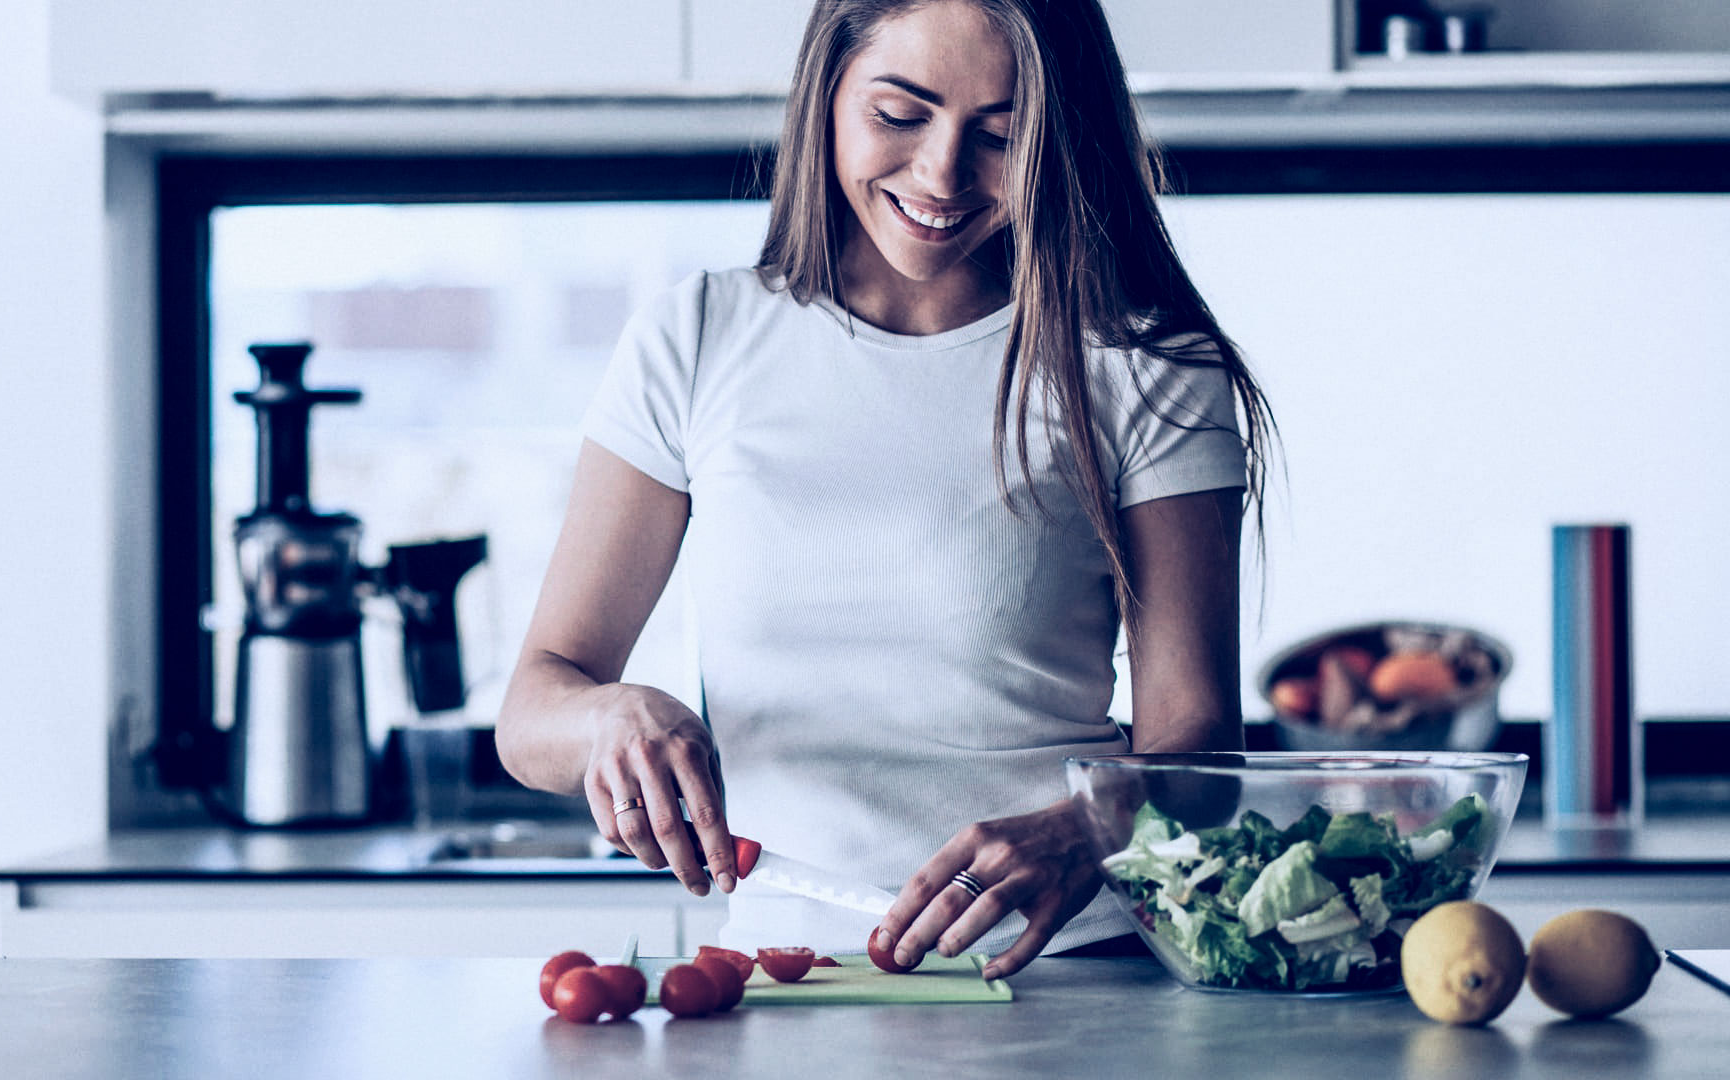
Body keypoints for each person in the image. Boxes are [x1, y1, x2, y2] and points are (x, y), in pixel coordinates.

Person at [496, 0, 1275, 980]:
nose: (943, 173)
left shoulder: (1145, 365)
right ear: (825, 96)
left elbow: (1198, 757)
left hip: (1060, 973)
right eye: (900, 116)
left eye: (1002, 136)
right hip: (779, 981)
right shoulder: (695, 337)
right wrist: (609, 718)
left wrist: (1089, 826)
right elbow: (535, 711)